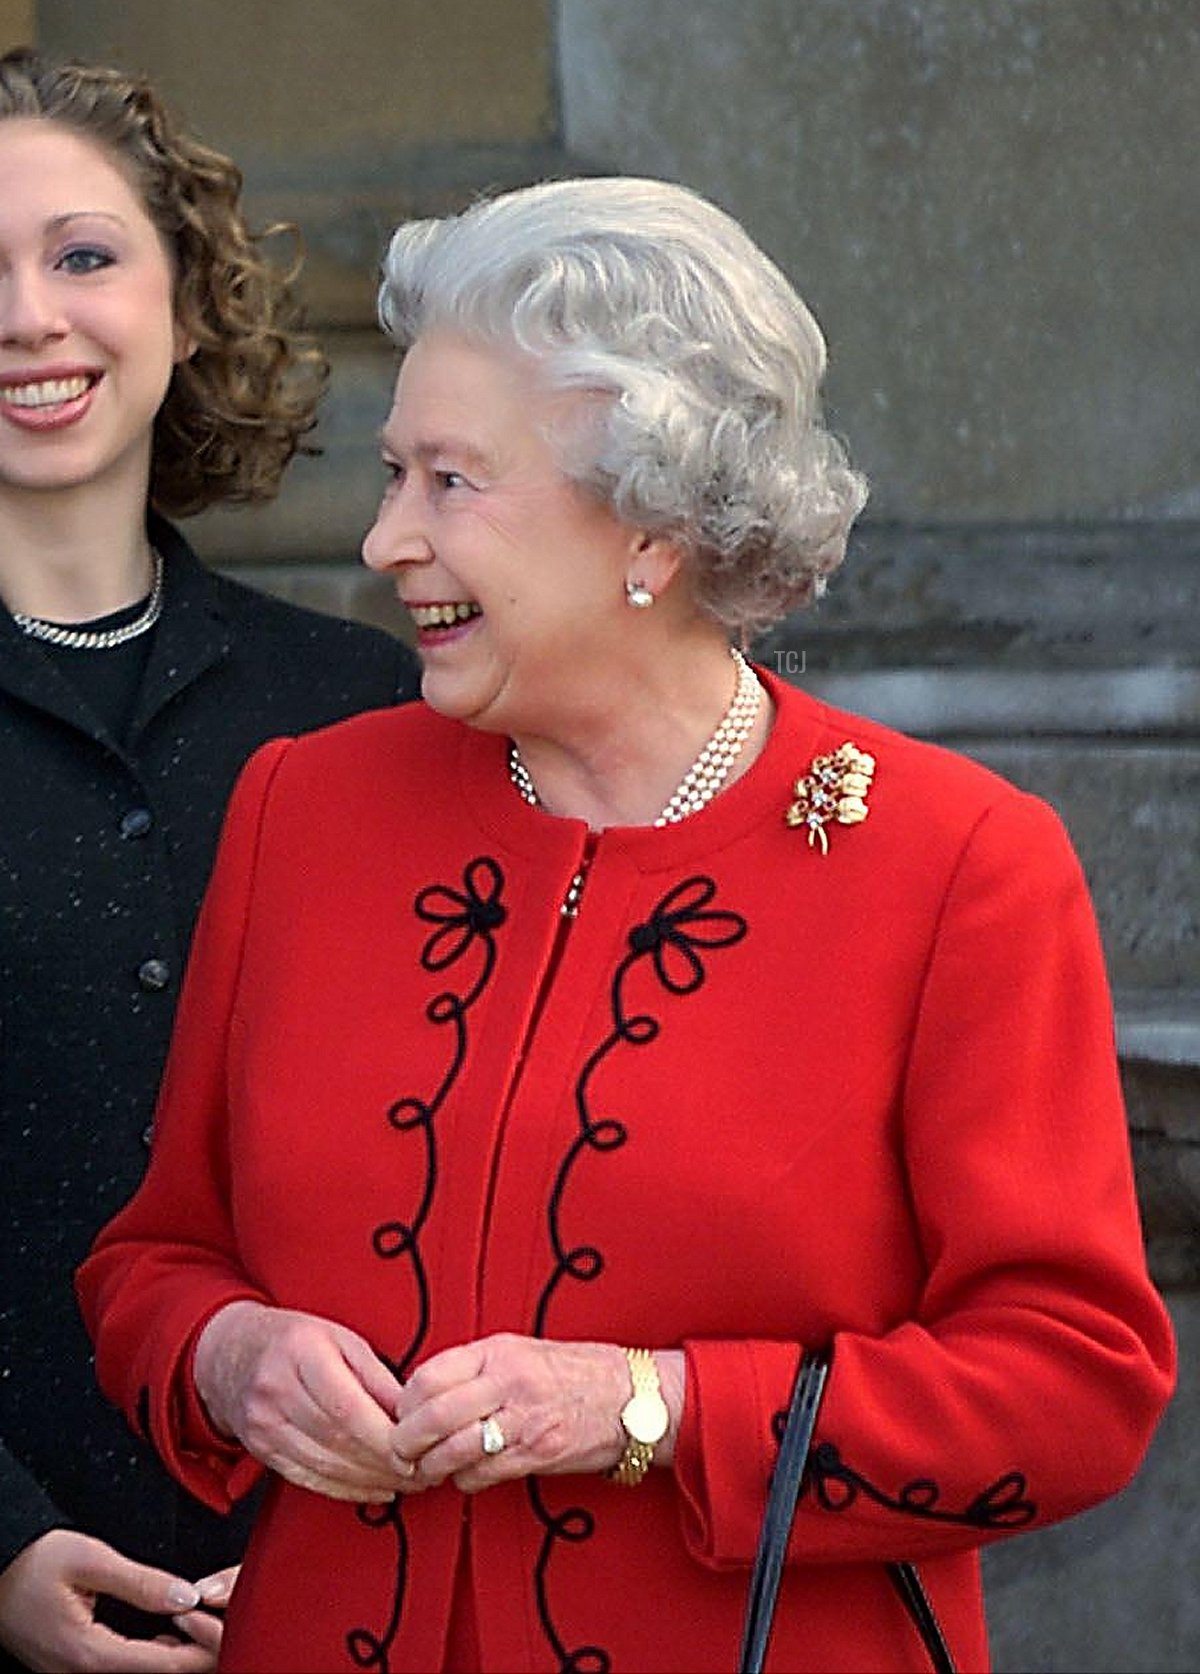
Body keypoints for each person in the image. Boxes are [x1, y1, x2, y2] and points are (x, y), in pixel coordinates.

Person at [78, 176, 1174, 1674]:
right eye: (393, 474)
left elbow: (1073, 1388)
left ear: (649, 526)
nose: (389, 539)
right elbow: (156, 1257)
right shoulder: (301, 808)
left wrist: (649, 1405)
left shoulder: (958, 864)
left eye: (451, 482)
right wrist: (228, 1357)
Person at [0, 46, 418, 1674]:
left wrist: (346, 1532)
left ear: (188, 310)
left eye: (84, 256)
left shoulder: (367, 701)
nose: (31, 317)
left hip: (336, 1572)